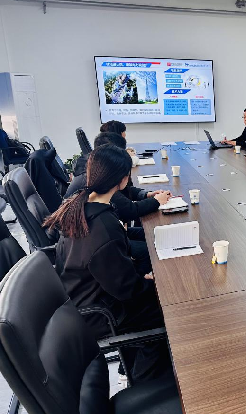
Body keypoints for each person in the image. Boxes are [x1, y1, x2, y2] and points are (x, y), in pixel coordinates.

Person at [44, 145, 172, 383]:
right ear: (123, 180)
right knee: (166, 309)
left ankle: (129, 367)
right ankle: (145, 385)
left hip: (81, 296)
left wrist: (140, 277)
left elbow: (115, 270)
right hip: (99, 313)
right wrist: (152, 283)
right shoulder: (103, 227)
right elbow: (127, 291)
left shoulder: (81, 202)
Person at [65, 132, 171, 275]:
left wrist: (145, 195)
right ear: (123, 179)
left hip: (84, 276)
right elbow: (124, 284)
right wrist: (146, 281)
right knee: (151, 250)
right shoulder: (106, 224)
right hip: (104, 285)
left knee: (152, 234)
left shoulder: (86, 196)